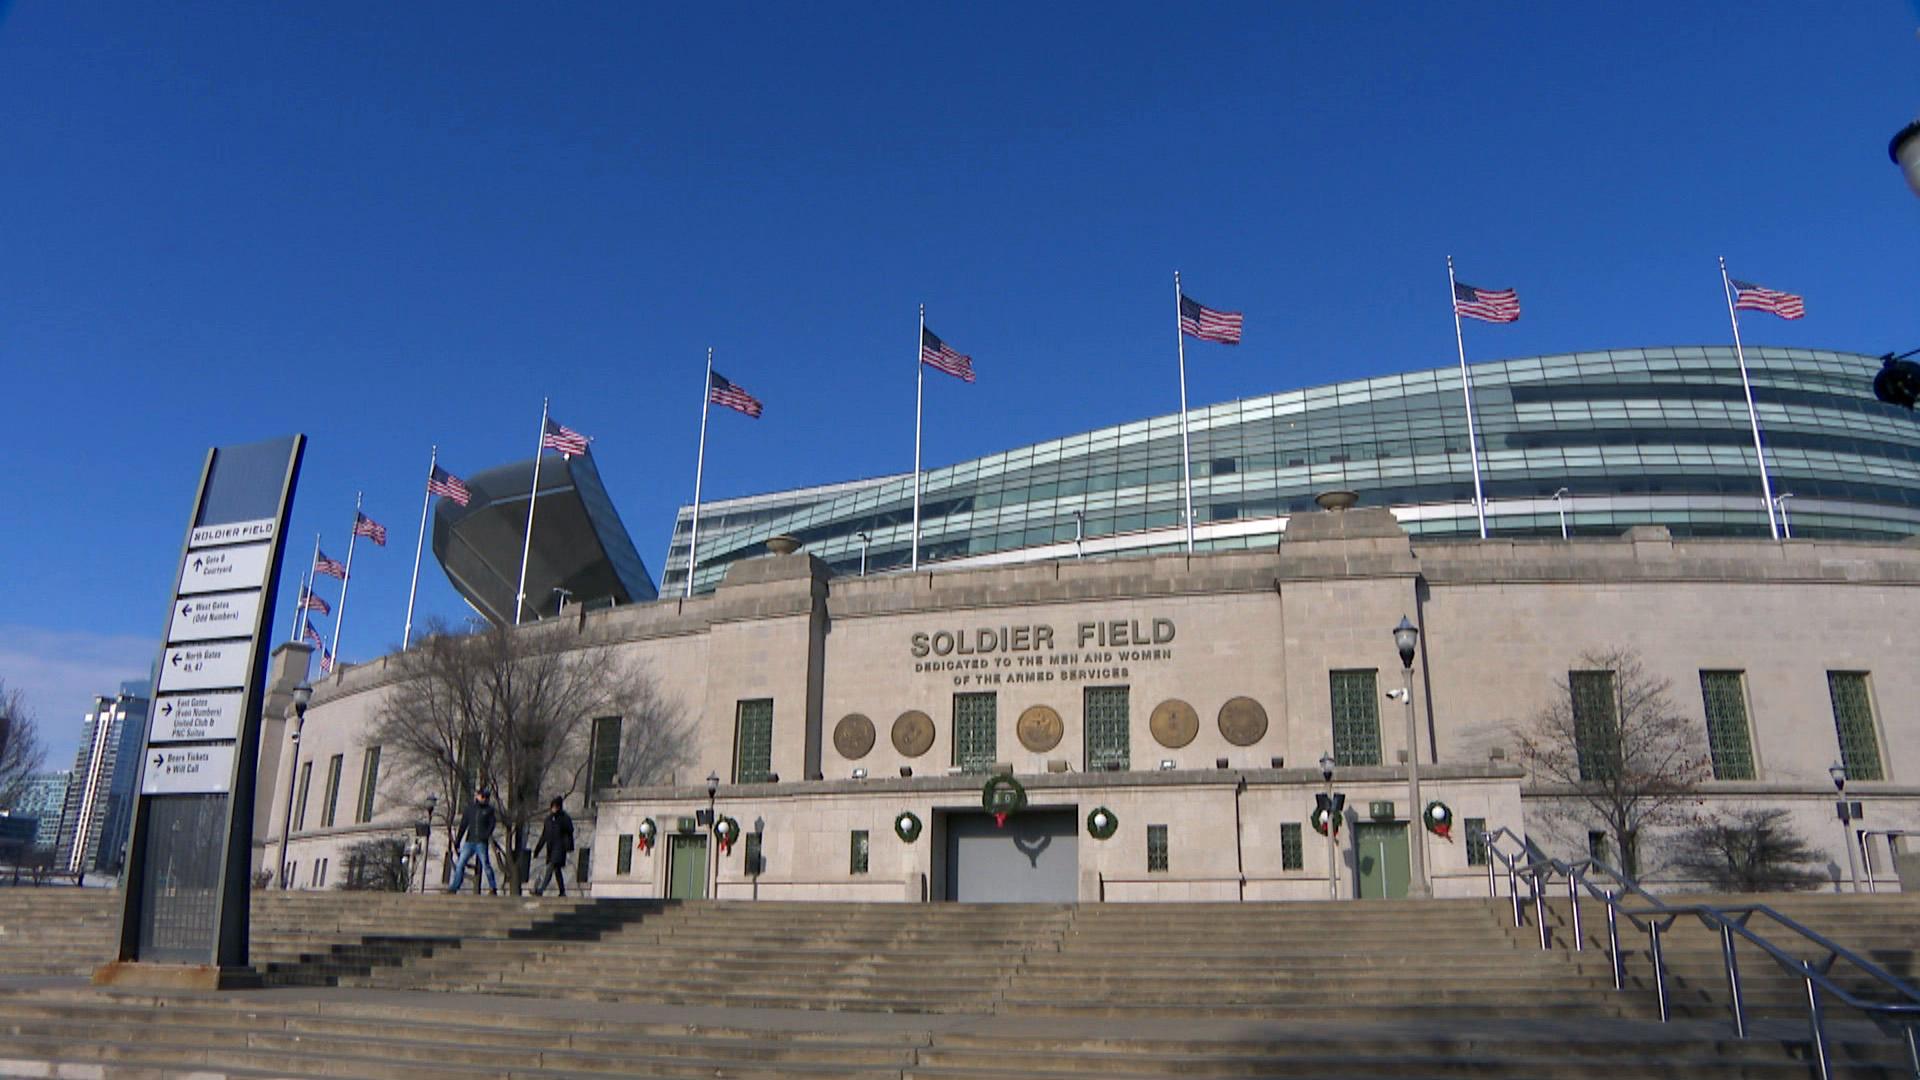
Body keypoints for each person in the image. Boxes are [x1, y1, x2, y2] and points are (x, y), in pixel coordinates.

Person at [447, 788, 498, 895]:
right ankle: (455, 886)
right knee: (460, 863)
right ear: (478, 796)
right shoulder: (470, 809)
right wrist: (458, 841)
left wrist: (486, 835)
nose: (484, 799)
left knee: (485, 864)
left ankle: (493, 887)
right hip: (470, 841)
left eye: (486, 797)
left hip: (481, 842)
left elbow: (492, 824)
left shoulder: (489, 810)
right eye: (482, 796)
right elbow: (463, 825)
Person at [530, 796, 575, 897]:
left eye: (556, 807)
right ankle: (562, 891)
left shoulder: (564, 818)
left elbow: (569, 833)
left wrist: (568, 847)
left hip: (560, 848)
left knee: (550, 867)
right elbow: (544, 836)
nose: (554, 809)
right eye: (553, 807)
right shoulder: (548, 820)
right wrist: (537, 849)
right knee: (557, 870)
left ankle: (541, 890)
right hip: (551, 848)